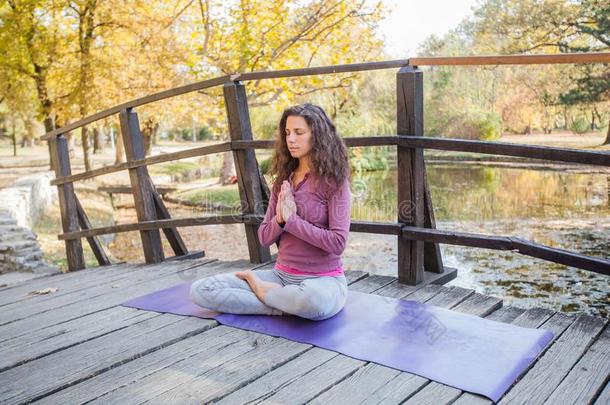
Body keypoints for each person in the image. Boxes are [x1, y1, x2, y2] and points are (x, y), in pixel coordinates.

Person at [189, 103, 352, 321]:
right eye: (287, 133)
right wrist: (280, 219)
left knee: (314, 302)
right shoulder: (283, 182)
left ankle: (267, 294)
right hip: (280, 276)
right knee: (202, 290)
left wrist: (292, 220)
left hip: (323, 281)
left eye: (299, 132)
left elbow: (338, 243)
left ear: (318, 135)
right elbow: (264, 237)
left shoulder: (335, 182)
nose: (291, 139)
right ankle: (277, 301)